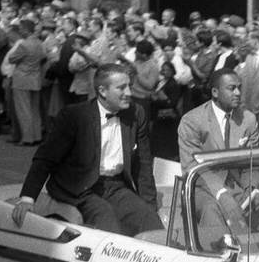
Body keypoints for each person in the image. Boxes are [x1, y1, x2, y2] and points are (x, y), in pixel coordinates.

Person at [12, 63, 162, 236]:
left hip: (115, 186)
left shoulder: (136, 113)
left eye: (129, 86)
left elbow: (143, 165)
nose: (129, 93)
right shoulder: (74, 115)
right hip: (78, 187)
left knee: (150, 223)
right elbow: (45, 158)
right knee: (107, 222)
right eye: (121, 88)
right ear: (103, 91)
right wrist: (27, 198)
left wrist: (149, 205)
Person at [177, 69, 259, 171]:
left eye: (239, 88)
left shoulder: (248, 119)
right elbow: (191, 166)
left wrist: (250, 187)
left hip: (241, 184)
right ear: (215, 92)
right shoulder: (191, 121)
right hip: (207, 184)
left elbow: (253, 165)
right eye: (231, 88)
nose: (238, 93)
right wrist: (220, 187)